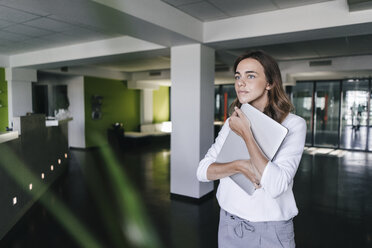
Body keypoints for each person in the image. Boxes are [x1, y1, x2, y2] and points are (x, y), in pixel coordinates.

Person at [196, 50, 306, 248]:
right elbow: (203, 171)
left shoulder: (293, 125)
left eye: (251, 76)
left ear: (270, 83)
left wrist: (247, 134)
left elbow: (275, 185)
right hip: (229, 223)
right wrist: (239, 166)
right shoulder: (233, 121)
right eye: (238, 76)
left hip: (269, 230)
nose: (240, 82)